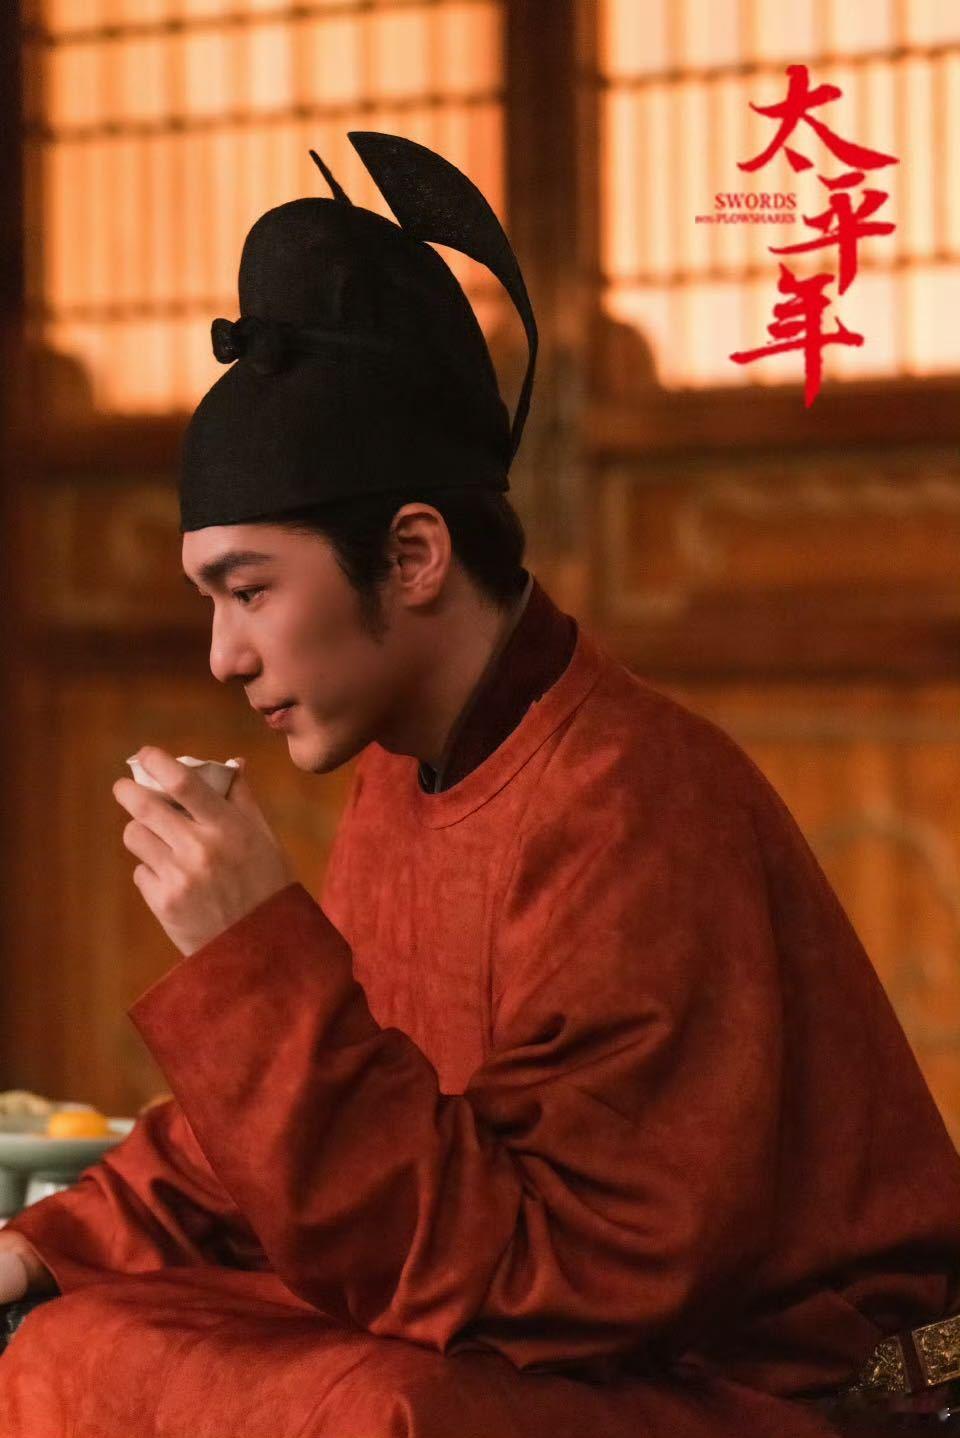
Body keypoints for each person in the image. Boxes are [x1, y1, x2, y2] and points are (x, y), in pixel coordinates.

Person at [1, 131, 959, 1438]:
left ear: (412, 555)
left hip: (771, 1378)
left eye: (249, 591)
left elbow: (556, 1279)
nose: (223, 656)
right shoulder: (410, 767)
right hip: (537, 1322)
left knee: (383, 1414)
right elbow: (310, 1122)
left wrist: (251, 958)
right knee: (79, 1340)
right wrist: (47, 1243)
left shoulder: (634, 801)